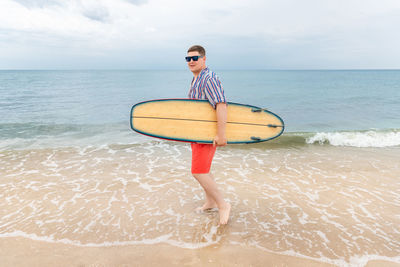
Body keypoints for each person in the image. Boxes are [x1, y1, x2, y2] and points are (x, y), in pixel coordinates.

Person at [186, 45, 231, 225]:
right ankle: (210, 202)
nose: (191, 62)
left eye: (194, 58)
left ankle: (223, 204)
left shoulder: (209, 78)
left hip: (206, 134)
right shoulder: (197, 78)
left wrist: (221, 135)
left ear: (204, 59)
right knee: (204, 169)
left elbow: (221, 104)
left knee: (198, 171)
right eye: (187, 59)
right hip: (197, 133)